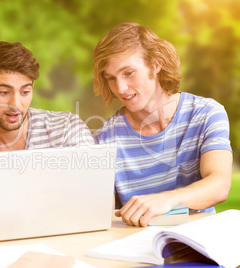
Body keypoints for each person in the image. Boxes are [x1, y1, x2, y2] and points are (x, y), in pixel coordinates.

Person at [93, 22, 232, 227]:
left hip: (199, 244)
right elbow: (99, 212)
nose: (120, 88)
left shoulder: (206, 113)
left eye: (128, 73)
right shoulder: (105, 138)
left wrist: (166, 200)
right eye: (111, 78)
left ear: (155, 65)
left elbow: (219, 185)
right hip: (135, 247)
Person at [0, 41, 94, 198]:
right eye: (4, 92)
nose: (16, 104)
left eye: (25, 92)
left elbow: (95, 197)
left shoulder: (67, 130)